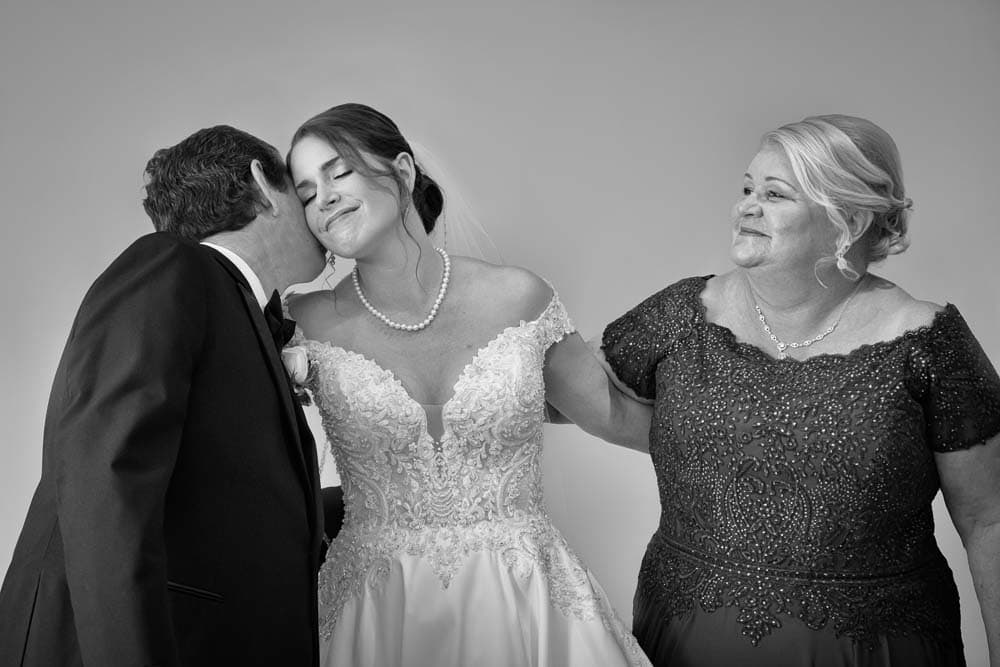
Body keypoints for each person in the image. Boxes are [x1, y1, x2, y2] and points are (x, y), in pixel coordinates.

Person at [601, 114, 1000, 666]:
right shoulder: (682, 316)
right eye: (746, 189)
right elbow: (571, 398)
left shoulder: (927, 343)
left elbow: (989, 519)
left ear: (849, 220)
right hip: (683, 635)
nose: (745, 206)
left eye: (775, 194)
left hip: (874, 648)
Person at [284, 102, 653, 667]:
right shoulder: (300, 323)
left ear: (403, 171)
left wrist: (758, 444)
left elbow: (615, 416)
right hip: (374, 616)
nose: (325, 198)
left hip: (528, 607)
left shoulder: (518, 298)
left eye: (339, 173)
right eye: (307, 193)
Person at [0, 126, 343, 666]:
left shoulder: (235, 308)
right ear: (260, 184)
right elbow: (105, 477)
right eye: (301, 195)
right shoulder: (170, 268)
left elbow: (231, 507)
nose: (321, 216)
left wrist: (379, 504)